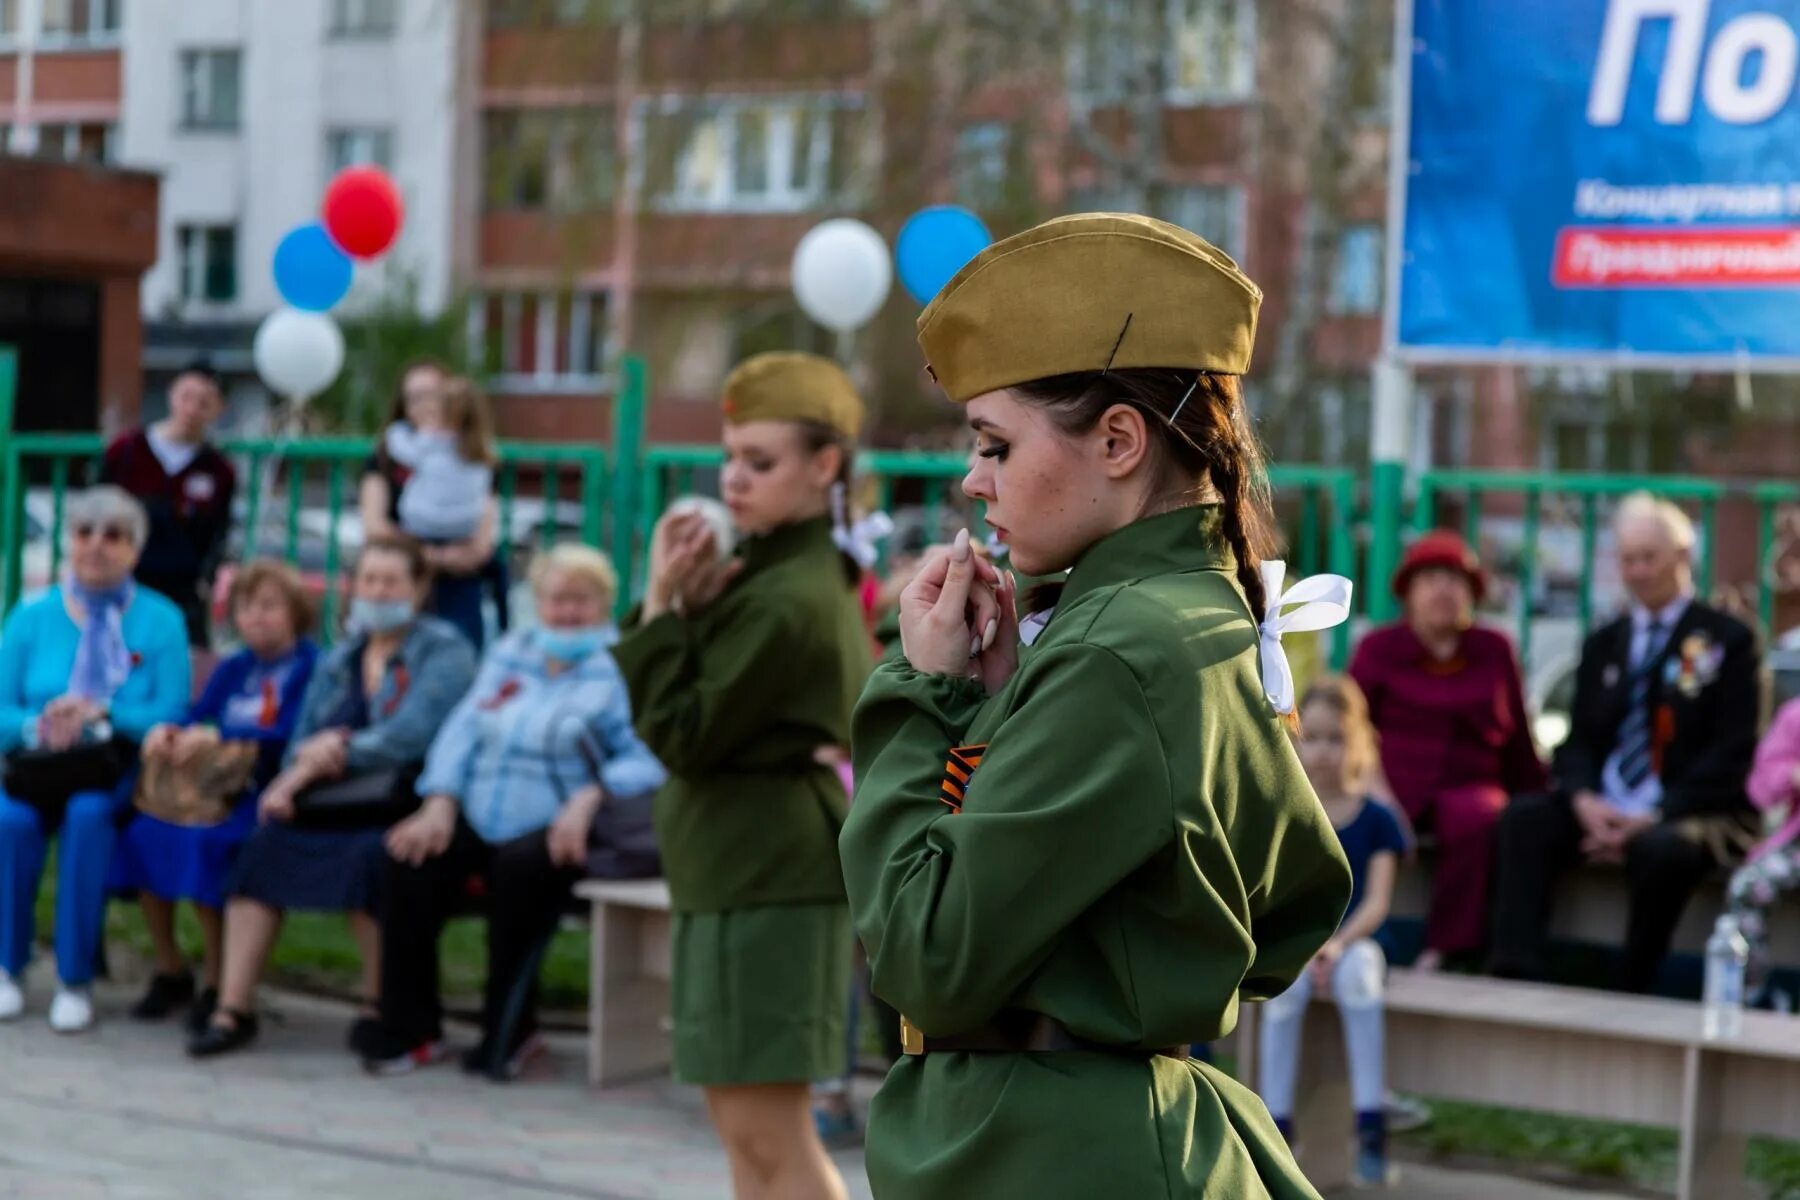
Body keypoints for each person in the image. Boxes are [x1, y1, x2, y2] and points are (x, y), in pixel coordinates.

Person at [840, 213, 1353, 1199]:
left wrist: (927, 696)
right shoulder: (1171, 614)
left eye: (994, 445)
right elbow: (1288, 908)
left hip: (1051, 1150)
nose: (970, 479)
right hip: (1087, 1129)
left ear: (1119, 439)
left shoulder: (1122, 646)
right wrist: (1004, 715)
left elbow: (923, 951)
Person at [612, 351, 873, 1200]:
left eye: (760, 463)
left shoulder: (787, 594)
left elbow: (682, 733)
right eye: (730, 458)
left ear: (824, 466)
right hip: (740, 870)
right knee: (745, 1134)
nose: (733, 480)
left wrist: (659, 608)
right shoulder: (770, 568)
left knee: (769, 1137)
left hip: (767, 876)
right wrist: (678, 609)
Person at [356, 544, 666, 1080]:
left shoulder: (621, 665)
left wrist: (593, 796)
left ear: (605, 605)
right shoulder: (511, 651)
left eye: (582, 601)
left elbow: (648, 752)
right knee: (408, 859)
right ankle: (411, 1030)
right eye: (556, 599)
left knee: (519, 871)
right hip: (479, 808)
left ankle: (511, 1032)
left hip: (562, 820)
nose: (567, 612)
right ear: (537, 602)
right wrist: (440, 800)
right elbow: (464, 727)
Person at [189, 537, 476, 1057]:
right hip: (332, 797)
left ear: (417, 589)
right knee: (263, 851)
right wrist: (312, 757)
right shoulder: (344, 653)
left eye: (392, 582)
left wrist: (335, 749)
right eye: (369, 580)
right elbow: (302, 737)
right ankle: (233, 1007)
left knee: (373, 859)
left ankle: (376, 1002)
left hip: (400, 796)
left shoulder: (445, 649)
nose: (379, 592)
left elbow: (409, 734)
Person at [1491, 494, 1761, 993]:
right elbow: (1578, 743)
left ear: (1682, 557)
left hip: (1685, 812)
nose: (1636, 571)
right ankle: (1515, 975)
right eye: (1627, 559)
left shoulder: (1729, 640)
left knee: (1664, 851)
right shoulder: (1604, 641)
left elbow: (1733, 752)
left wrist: (1654, 813)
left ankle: (1632, 987)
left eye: (1648, 558)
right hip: (1607, 802)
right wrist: (1584, 801)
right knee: (1524, 820)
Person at [0, 487, 190, 1032]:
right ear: (69, 542)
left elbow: (171, 709)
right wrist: (41, 724)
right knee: (11, 823)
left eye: (114, 536)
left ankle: (74, 976)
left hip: (109, 768)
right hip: (35, 764)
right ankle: (8, 966)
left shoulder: (161, 620)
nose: (97, 546)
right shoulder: (31, 616)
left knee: (87, 817)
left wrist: (101, 713)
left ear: (135, 548)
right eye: (85, 533)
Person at [109, 561, 320, 1031]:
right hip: (206, 785)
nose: (256, 617)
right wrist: (172, 734)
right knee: (145, 830)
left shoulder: (310, 667)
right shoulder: (236, 667)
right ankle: (169, 966)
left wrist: (221, 738)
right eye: (246, 607)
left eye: (269, 606)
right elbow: (198, 713)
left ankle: (219, 979)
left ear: (295, 611)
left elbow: (291, 734)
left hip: (261, 789)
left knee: (210, 844)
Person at [1348, 530, 1545, 970]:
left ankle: (1446, 949)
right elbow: (1352, 729)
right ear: (1409, 591)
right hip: (1391, 783)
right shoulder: (1378, 649)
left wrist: (1541, 796)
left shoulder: (1495, 650)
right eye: (1431, 578)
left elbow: (1517, 739)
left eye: (1456, 580)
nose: (1443, 590)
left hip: (1471, 785)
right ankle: (1343, 939)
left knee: (1480, 816)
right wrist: (1380, 797)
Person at [1258, 677, 1407, 1188]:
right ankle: (1276, 1123)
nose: (1323, 752)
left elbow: (1378, 903)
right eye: (1313, 737)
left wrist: (1337, 944)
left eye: (1336, 739)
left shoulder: (1378, 819)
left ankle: (1370, 1123)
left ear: (1360, 743)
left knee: (1358, 978)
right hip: (1304, 943)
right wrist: (1308, 946)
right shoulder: (1291, 812)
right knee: (1284, 985)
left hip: (1358, 944)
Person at [359, 363, 503, 650]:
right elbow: (375, 526)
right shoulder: (390, 453)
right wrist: (433, 556)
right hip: (399, 581)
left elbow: (482, 538)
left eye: (432, 395)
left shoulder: (474, 455)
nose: (425, 405)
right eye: (414, 397)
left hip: (457, 585)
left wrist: (445, 556)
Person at [99, 360, 237, 648]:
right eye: (187, 396)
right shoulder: (126, 451)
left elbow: (218, 532)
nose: (192, 408)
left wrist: (207, 578)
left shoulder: (219, 470)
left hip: (182, 588)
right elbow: (99, 509)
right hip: (124, 577)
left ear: (218, 408)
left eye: (204, 402)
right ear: (172, 394)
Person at [1722, 694, 1800, 1006]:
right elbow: (1760, 789)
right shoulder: (1796, 715)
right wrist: (1792, 775)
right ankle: (1753, 996)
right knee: (1748, 887)